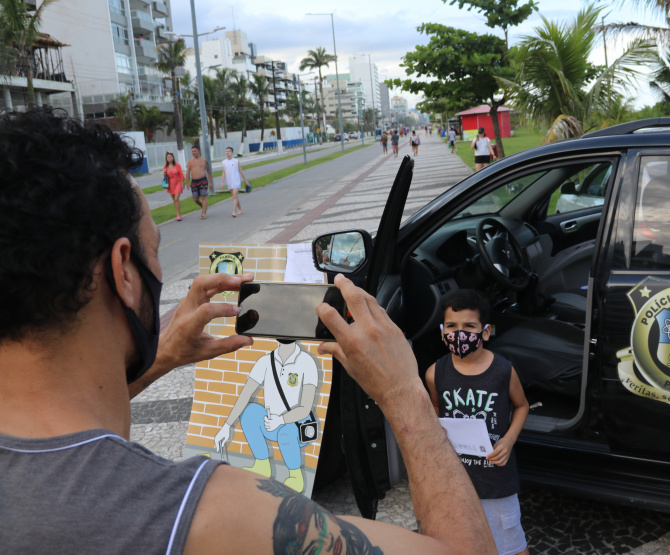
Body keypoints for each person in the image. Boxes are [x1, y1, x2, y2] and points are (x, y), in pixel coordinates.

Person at [0, 107, 496, 555]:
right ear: (124, 272)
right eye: (155, 244)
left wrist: (162, 359)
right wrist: (404, 391)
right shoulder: (211, 515)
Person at [425, 290, 531, 555]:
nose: (460, 333)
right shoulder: (434, 373)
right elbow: (437, 407)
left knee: (511, 545)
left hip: (496, 481)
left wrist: (508, 440)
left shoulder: (503, 371)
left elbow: (522, 405)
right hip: (456, 479)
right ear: (442, 331)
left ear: (485, 332)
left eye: (469, 326)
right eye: (452, 326)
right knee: (464, 541)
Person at [214, 340, 320, 493]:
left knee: (286, 432)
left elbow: (305, 408)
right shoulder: (265, 361)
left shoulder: (306, 361)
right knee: (249, 411)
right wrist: (226, 426)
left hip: (297, 426)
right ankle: (262, 464)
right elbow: (245, 394)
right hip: (271, 423)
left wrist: (281, 420)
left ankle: (295, 475)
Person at [220, 146, 249, 217]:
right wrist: (222, 182)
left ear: (232, 153)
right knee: (235, 196)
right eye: (226, 151)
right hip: (229, 182)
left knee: (234, 197)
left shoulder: (236, 161)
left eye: (229, 151)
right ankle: (240, 209)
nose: (227, 152)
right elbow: (223, 172)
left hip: (236, 181)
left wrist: (245, 181)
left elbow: (240, 171)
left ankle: (233, 211)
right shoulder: (224, 162)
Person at [186, 145, 213, 219]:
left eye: (194, 151)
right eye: (192, 151)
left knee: (203, 196)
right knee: (195, 199)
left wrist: (210, 182)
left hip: (203, 180)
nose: (193, 152)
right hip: (194, 181)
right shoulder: (190, 161)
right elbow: (188, 172)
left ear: (199, 151)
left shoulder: (204, 160)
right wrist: (187, 182)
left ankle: (203, 213)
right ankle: (204, 207)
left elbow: (208, 171)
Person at [163, 151, 184, 221]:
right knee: (174, 200)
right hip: (170, 184)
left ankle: (178, 215)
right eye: (168, 157)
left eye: (170, 157)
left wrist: (182, 183)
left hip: (178, 183)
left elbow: (181, 174)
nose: (169, 158)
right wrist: (164, 172)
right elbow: (164, 176)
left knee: (176, 199)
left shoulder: (177, 165)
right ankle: (177, 213)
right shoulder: (165, 166)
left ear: (173, 157)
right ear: (166, 158)